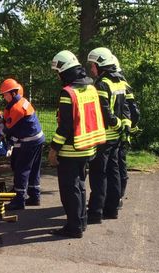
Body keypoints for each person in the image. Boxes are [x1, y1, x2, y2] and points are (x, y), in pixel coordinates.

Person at [48, 50, 106, 238]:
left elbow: (64, 127)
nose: (57, 76)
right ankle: (81, 222)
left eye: (58, 72)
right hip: (88, 146)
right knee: (80, 186)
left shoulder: (68, 92)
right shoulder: (90, 87)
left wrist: (53, 149)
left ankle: (73, 227)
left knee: (69, 190)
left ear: (64, 70)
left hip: (71, 150)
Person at [87, 47, 131, 223]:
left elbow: (104, 111)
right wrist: (124, 127)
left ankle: (96, 212)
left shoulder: (102, 84)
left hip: (104, 137)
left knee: (98, 174)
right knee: (114, 172)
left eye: (93, 65)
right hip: (116, 137)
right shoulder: (119, 82)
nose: (91, 69)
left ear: (101, 65)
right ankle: (112, 209)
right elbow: (126, 108)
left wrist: (116, 123)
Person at [0, 78, 45, 210]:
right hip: (37, 139)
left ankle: (19, 200)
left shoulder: (17, 108)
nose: (3, 97)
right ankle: (35, 196)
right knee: (34, 170)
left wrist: (1, 126)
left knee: (22, 170)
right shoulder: (22, 101)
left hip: (29, 142)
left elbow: (9, 128)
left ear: (12, 93)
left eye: (5, 94)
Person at [113, 55, 141, 208]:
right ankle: (119, 197)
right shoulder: (125, 84)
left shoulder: (115, 85)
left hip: (115, 132)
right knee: (121, 165)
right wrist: (131, 127)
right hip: (124, 133)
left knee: (115, 167)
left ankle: (116, 199)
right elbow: (134, 111)